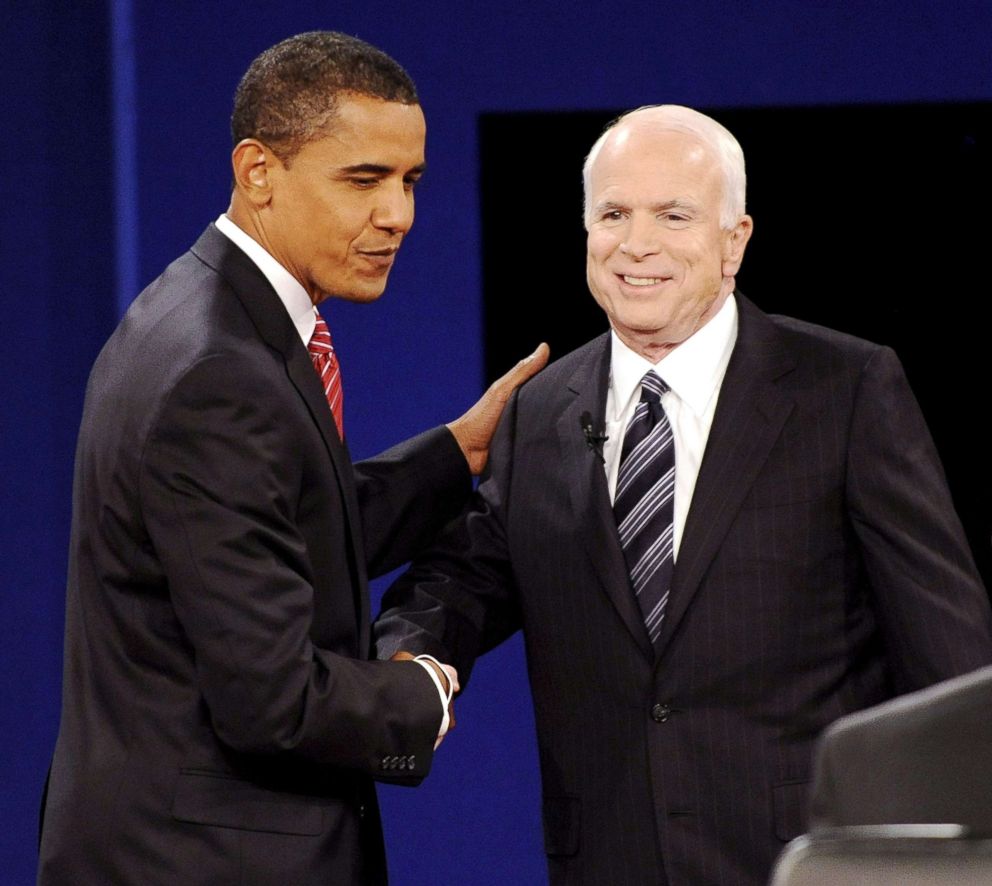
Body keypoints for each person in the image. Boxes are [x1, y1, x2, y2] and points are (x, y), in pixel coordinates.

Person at [375, 104, 992, 885]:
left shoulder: (845, 391)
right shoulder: (541, 409)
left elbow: (952, 664)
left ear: (734, 241)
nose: (637, 245)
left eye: (673, 215)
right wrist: (410, 662)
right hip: (607, 858)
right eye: (613, 215)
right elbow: (465, 578)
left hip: (802, 861)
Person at [37, 31, 546, 886]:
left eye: (410, 180)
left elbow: (280, 524)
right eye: (364, 180)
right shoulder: (217, 372)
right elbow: (273, 703)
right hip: (205, 861)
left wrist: (455, 456)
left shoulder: (205, 311)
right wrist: (425, 687)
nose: (399, 216)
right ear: (258, 171)